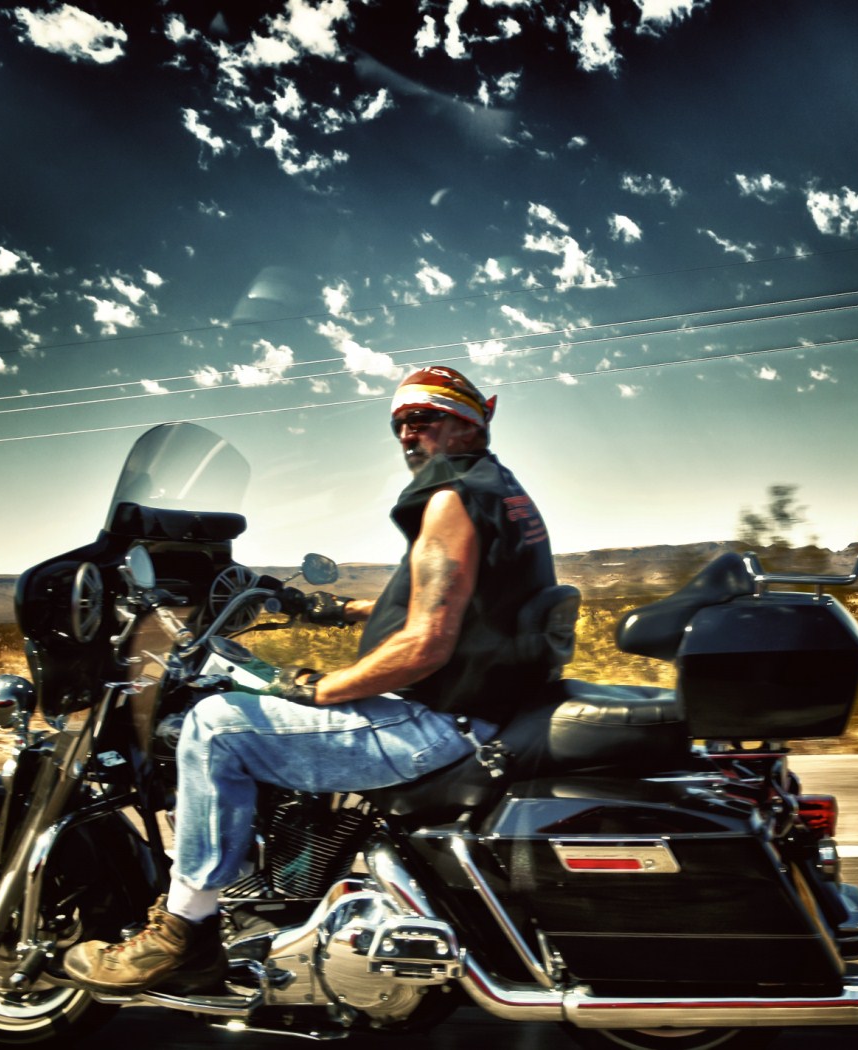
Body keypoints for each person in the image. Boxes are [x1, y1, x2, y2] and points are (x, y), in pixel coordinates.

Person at [64, 365, 559, 994]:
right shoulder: (498, 490)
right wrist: (345, 610)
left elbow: (427, 644)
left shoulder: (451, 499)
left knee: (215, 726)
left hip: (441, 722)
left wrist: (321, 688)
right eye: (400, 424)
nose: (408, 435)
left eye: (424, 419)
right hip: (484, 709)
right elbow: (467, 600)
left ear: (469, 420)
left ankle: (184, 932)